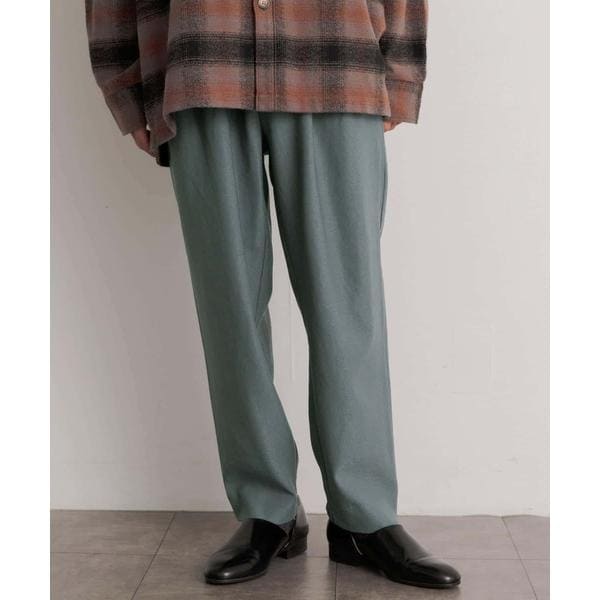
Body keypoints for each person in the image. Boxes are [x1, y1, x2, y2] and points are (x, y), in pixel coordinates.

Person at [85, 0, 460, 589]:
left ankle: (363, 517)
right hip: (203, 59)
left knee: (348, 306)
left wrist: (400, 73)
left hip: (337, 58)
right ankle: (267, 510)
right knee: (229, 307)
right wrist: (126, 88)